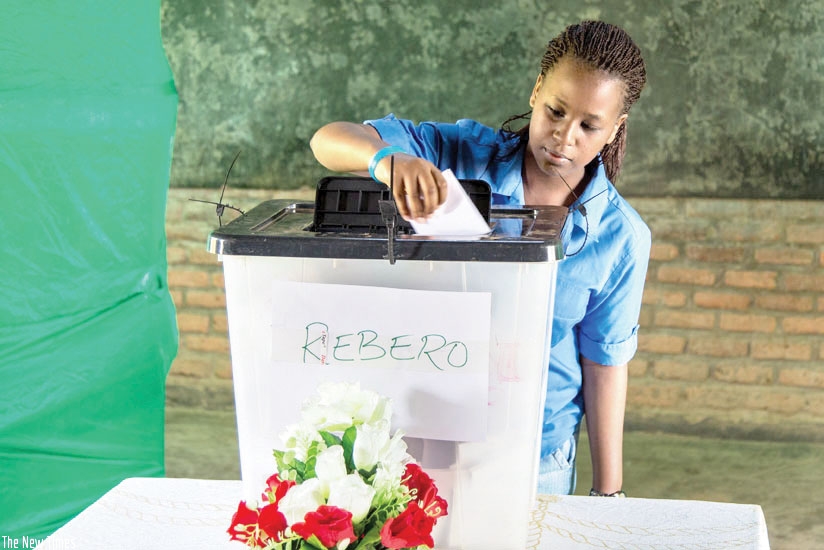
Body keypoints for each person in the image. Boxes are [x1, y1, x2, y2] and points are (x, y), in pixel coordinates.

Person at [310, 20, 650, 497]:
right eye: (555, 110)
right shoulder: (462, 157)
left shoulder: (621, 237)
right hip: (424, 436)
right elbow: (327, 139)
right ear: (536, 92)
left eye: (589, 126)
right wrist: (388, 160)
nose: (564, 136)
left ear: (614, 129)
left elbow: (604, 365)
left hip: (537, 456)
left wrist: (609, 494)